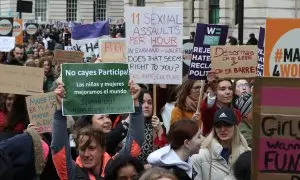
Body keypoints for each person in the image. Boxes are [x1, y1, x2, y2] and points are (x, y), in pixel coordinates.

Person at [51, 81, 145, 179]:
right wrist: (60, 109)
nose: (86, 154)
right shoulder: (72, 173)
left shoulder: (116, 166)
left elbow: (135, 141)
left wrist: (135, 103)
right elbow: (58, 147)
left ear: (103, 149)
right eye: (82, 149)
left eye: (92, 148)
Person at [192, 108, 250, 180]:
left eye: (227, 125)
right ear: (214, 128)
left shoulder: (247, 154)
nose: (222, 129)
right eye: (218, 125)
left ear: (235, 127)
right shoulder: (200, 156)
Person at [137, 89, 167, 164]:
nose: (146, 105)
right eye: (142, 102)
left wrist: (160, 131)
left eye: (150, 103)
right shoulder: (129, 124)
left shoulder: (158, 125)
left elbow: (163, 153)